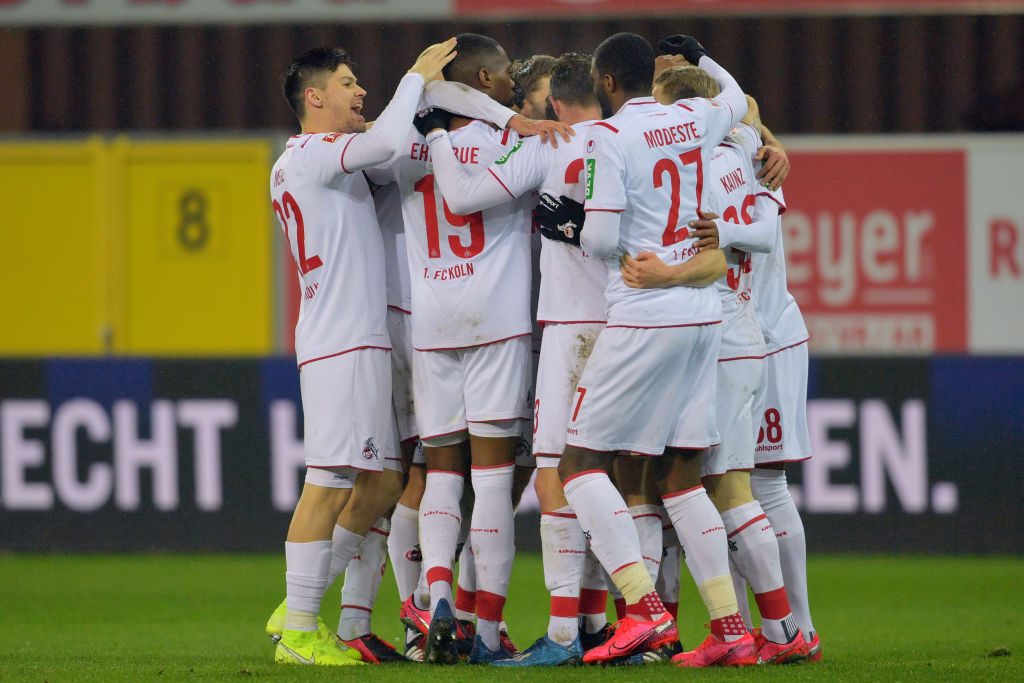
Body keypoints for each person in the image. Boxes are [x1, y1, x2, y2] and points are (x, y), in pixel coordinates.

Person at [366, 32, 572, 665]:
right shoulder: (519, 143)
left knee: (439, 474)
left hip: (431, 325)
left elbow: (427, 105)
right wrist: (516, 121)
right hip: (497, 323)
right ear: (485, 83)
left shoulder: (406, 147)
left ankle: (433, 595)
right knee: (491, 480)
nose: (514, 84)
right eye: (506, 75)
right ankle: (485, 631)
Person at [555, 32, 758, 667]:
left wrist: (574, 225)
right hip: (702, 314)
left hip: (645, 314)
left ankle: (642, 608)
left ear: (606, 83)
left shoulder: (608, 139)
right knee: (679, 474)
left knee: (579, 464)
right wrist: (702, 58)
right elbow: (738, 96)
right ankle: (731, 630)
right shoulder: (693, 116)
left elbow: (602, 236)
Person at [267, 40, 457, 666]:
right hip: (340, 341)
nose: (361, 92)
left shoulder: (312, 162)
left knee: (381, 484)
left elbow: (387, 150)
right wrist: (415, 76)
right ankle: (298, 629)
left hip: (359, 338)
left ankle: (304, 603)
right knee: (326, 485)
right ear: (314, 97)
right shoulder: (313, 154)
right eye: (349, 83)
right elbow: (381, 147)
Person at [640, 63, 808, 664]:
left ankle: (780, 631)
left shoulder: (694, 167)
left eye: (661, 106)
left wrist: (699, 244)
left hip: (717, 335)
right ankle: (762, 630)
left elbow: (752, 235)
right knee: (715, 485)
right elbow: (762, 227)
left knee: (726, 487)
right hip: (733, 332)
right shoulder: (743, 152)